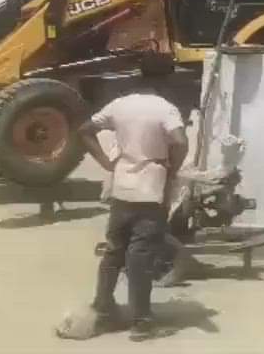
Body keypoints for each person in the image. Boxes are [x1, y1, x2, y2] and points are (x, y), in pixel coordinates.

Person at [79, 66, 188, 341]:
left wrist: (106, 163)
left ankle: (102, 312)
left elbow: (84, 130)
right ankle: (142, 323)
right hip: (151, 188)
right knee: (139, 256)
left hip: (122, 186)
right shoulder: (165, 107)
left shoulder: (119, 105)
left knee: (114, 251)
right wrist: (172, 169)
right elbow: (179, 141)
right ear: (162, 84)